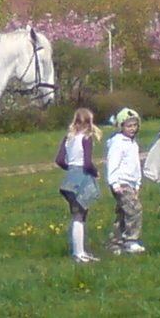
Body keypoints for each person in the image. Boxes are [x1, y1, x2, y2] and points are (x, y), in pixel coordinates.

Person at [55, 108, 102, 263]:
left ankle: (78, 250)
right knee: (80, 215)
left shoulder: (68, 138)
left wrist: (70, 169)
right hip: (82, 177)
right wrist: (95, 172)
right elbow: (88, 163)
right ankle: (79, 252)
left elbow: (60, 160)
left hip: (69, 179)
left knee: (76, 215)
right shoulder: (86, 138)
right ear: (89, 122)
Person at [106, 107, 145, 255]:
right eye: (129, 126)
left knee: (123, 212)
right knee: (135, 209)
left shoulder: (132, 143)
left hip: (130, 183)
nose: (132, 129)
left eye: (135, 125)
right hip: (121, 183)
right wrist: (114, 183)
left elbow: (135, 166)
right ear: (121, 126)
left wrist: (137, 184)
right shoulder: (118, 143)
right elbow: (113, 164)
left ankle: (116, 242)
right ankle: (131, 240)